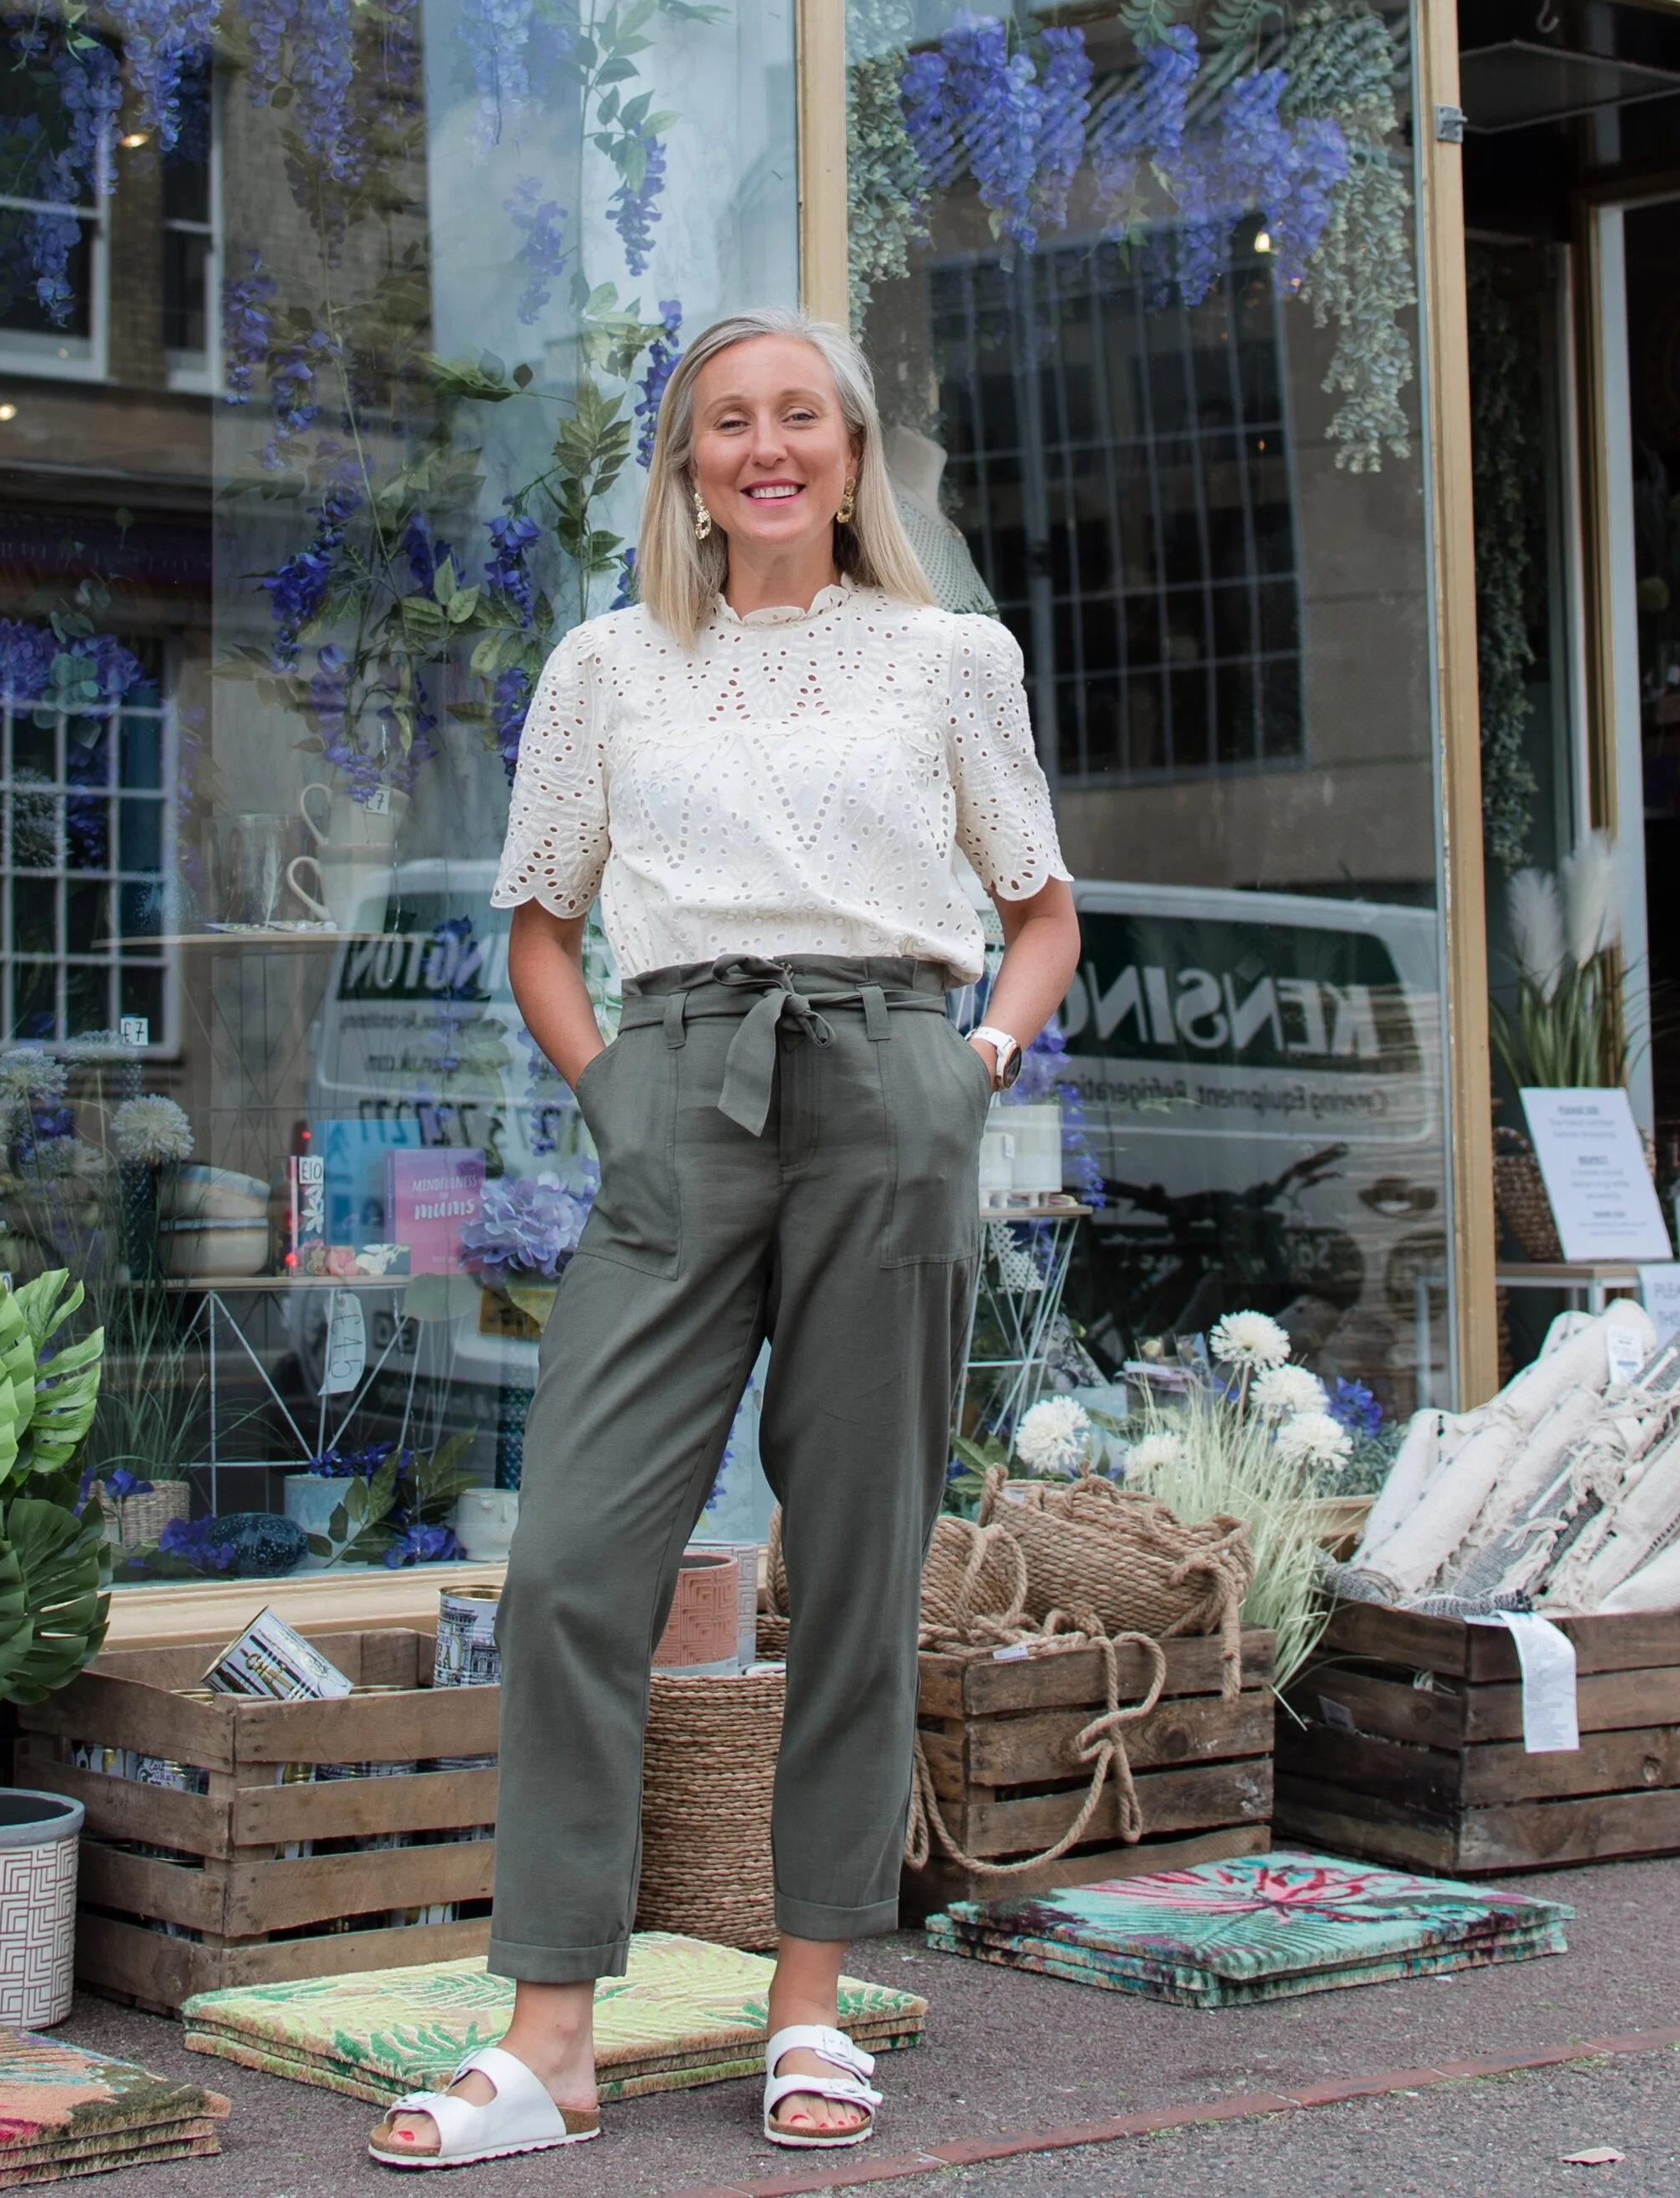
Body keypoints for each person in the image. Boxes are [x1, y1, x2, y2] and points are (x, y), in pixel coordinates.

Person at [367, 309, 1078, 2169]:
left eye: (797, 420)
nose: (763, 450)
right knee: (575, 1566)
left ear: (849, 451)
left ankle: (807, 2007)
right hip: (677, 1081)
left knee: (851, 1564)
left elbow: (1039, 909)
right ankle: (548, 2042)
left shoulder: (949, 658)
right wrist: (615, 1093)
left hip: (885, 1081)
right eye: (724, 424)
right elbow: (538, 921)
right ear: (684, 462)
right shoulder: (606, 667)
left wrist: (970, 1069)